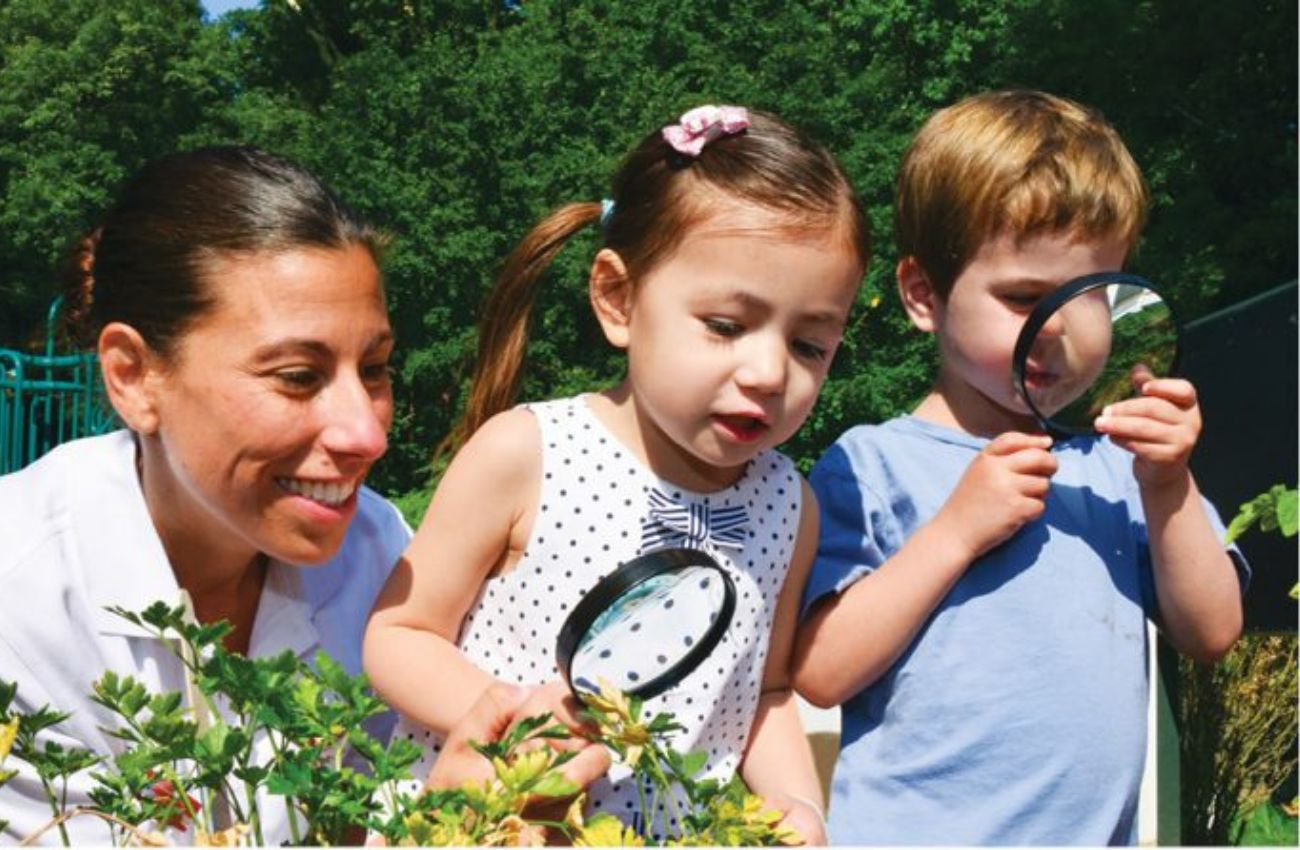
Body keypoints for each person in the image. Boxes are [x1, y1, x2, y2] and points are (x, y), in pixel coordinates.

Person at [0, 146, 605, 845]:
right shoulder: (22, 596)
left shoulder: (377, 553)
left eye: (374, 368)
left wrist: (475, 807)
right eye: (296, 375)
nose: (367, 434)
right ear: (133, 377)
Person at [364, 105, 871, 842]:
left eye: (811, 345)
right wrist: (501, 710)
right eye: (726, 326)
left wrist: (802, 806)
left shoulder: (789, 505)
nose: (769, 372)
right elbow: (400, 633)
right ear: (618, 299)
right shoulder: (529, 452)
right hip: (490, 826)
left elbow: (766, 691)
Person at [791, 89, 1247, 845]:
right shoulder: (873, 464)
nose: (1060, 329)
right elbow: (820, 671)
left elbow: (1214, 630)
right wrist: (955, 534)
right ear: (922, 295)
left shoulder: (1117, 464)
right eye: (1024, 298)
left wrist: (1169, 485)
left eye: (1093, 294)